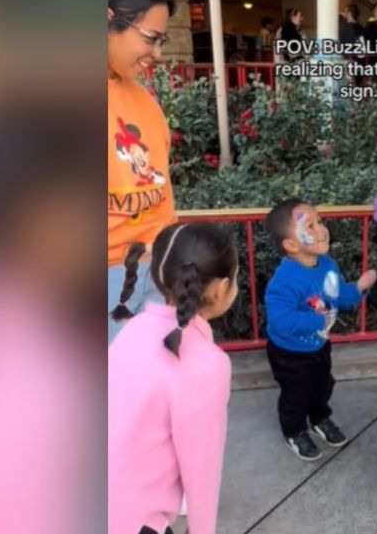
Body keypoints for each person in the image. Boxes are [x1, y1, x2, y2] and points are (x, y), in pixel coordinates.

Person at [108, 222, 239, 534]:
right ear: (221, 288)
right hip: (136, 522)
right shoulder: (208, 364)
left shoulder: (132, 329)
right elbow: (201, 470)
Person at [263, 200, 377, 461]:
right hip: (289, 353)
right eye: (310, 226)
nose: (321, 230)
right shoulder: (284, 281)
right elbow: (281, 320)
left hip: (319, 345)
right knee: (295, 394)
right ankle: (294, 431)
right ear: (291, 245)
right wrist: (318, 321)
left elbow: (337, 297)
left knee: (322, 384)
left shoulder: (327, 265)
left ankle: (319, 418)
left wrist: (358, 288)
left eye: (320, 221)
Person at [108, 0, 178, 343]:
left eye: (162, 41)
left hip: (159, 273)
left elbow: (163, 188)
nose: (158, 53)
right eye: (151, 37)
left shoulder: (144, 100)